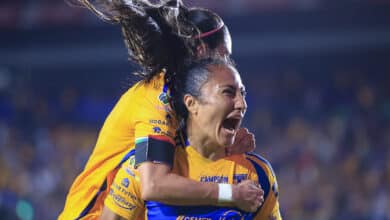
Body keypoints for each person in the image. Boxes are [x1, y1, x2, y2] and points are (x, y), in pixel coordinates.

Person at [59, 0, 261, 219]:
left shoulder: (184, 96)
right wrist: (230, 193)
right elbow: (154, 184)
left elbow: (189, 155)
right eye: (223, 56)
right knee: (143, 170)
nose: (228, 65)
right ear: (201, 51)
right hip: (93, 215)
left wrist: (223, 144)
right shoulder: (159, 99)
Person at [102, 57, 282, 220]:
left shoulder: (258, 171)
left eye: (243, 93)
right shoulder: (141, 166)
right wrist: (231, 194)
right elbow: (152, 185)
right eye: (228, 92)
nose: (242, 104)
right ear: (191, 103)